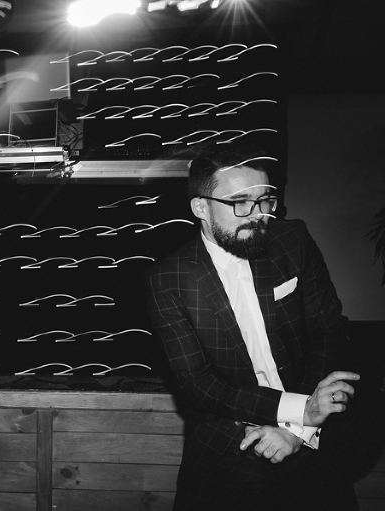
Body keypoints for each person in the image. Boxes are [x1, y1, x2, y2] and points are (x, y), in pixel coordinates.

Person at [145, 143, 385, 511]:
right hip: (230, 442)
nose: (258, 215)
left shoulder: (292, 240)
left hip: (313, 439)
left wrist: (299, 428)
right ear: (201, 208)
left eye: (265, 201)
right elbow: (198, 383)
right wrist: (298, 409)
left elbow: (328, 330)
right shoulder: (167, 279)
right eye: (240, 202)